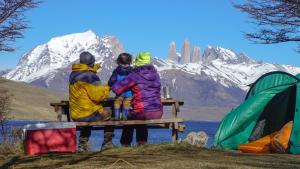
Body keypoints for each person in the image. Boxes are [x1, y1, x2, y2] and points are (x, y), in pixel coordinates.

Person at [112, 52, 163, 146]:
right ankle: (142, 143)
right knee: (140, 116)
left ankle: (125, 143)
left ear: (137, 61)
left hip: (142, 112)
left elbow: (117, 88)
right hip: (158, 112)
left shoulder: (135, 75)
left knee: (129, 117)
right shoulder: (156, 75)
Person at [69, 51, 114, 152]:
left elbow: (86, 71)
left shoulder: (73, 74)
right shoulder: (91, 77)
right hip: (88, 114)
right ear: (92, 63)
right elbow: (98, 96)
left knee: (88, 114)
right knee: (110, 114)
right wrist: (107, 88)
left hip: (76, 115)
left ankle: (82, 144)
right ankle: (107, 144)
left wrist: (95, 68)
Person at [108, 53, 133, 120]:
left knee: (117, 103)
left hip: (119, 92)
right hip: (129, 92)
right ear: (130, 61)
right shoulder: (132, 71)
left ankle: (117, 116)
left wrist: (111, 85)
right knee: (127, 104)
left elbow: (112, 80)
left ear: (118, 61)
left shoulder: (116, 71)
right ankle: (125, 116)